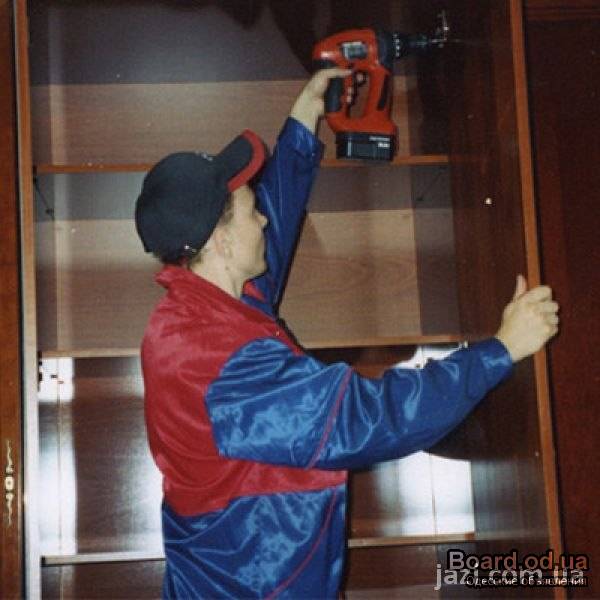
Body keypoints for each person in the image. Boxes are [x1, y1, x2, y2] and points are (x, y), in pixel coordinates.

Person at [134, 69, 559, 599]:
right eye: (250, 210)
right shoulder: (210, 359)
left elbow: (273, 234)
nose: (262, 220)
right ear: (219, 242)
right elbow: (365, 419)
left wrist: (304, 121)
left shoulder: (207, 304)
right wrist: (500, 351)